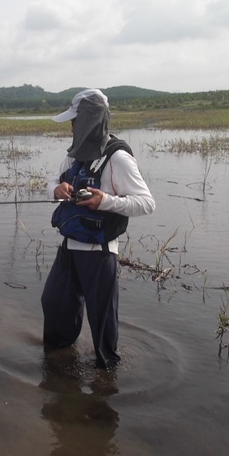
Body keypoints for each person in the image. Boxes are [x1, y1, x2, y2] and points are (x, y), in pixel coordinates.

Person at [41, 88, 155, 369]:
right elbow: (49, 183)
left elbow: (146, 203)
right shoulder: (74, 155)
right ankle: (59, 366)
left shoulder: (117, 158)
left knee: (103, 327)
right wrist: (55, 189)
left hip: (100, 253)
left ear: (89, 121)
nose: (71, 127)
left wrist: (105, 201)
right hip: (69, 248)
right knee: (54, 304)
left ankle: (106, 383)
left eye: (74, 121)